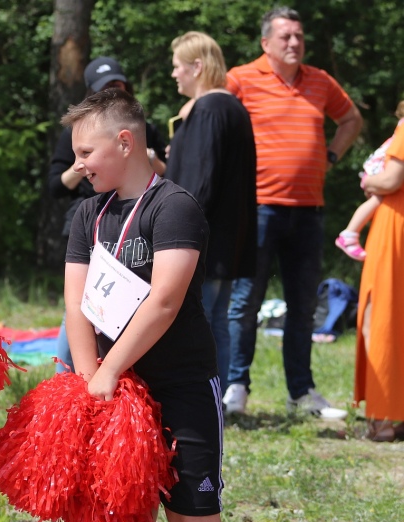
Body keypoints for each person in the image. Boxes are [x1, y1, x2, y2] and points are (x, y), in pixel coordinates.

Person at [62, 88, 251, 522]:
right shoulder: (86, 214)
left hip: (179, 384)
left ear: (126, 142)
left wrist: (111, 368)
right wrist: (92, 377)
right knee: (129, 518)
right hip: (114, 387)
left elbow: (164, 301)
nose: (80, 164)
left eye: (87, 151)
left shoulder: (175, 207)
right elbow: (76, 304)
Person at [222, 6, 362, 418]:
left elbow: (351, 119)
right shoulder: (241, 78)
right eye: (285, 37)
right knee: (245, 303)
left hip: (309, 212)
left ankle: (301, 394)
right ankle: (235, 388)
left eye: (299, 36)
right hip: (258, 209)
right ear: (266, 42)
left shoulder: (319, 81)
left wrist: (331, 155)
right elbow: (211, 120)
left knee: (303, 307)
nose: (294, 43)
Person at [49, 57, 169, 372]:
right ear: (92, 93)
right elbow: (55, 186)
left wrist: (147, 156)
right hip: (94, 224)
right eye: (107, 88)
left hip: (134, 218)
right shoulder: (75, 138)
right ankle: (66, 376)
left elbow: (165, 173)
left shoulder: (170, 203)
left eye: (120, 85)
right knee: (82, 307)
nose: (116, 91)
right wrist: (83, 164)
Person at [165, 32, 257, 384]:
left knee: (195, 319)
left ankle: (200, 394)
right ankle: (215, 392)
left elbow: (198, 184)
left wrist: (175, 233)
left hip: (199, 242)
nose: (174, 74)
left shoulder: (209, 110)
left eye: (177, 66)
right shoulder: (233, 107)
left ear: (197, 67)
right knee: (216, 319)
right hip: (226, 240)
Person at [355, 111, 404, 441]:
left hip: (395, 225)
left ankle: (384, 418)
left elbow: (390, 180)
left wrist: (368, 180)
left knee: (382, 318)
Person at [334, 101, 404, 262]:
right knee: (377, 199)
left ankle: (350, 233)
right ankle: (349, 233)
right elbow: (389, 181)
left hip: (379, 174)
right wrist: (371, 182)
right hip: (378, 173)